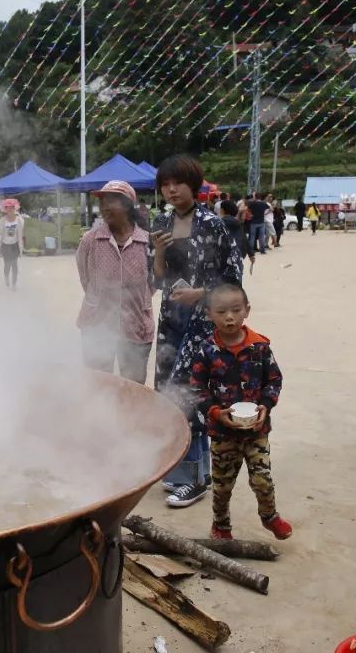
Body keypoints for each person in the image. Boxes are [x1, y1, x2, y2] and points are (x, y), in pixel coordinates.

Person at [150, 154, 243, 508]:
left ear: (195, 185)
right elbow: (155, 279)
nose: (172, 190)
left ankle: (197, 478)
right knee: (167, 392)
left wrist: (200, 294)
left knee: (192, 392)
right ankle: (179, 470)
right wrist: (158, 252)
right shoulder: (160, 221)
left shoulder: (212, 224)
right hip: (170, 316)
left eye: (179, 183)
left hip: (204, 320)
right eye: (166, 184)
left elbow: (233, 278)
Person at [172, 284, 293, 538]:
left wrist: (265, 406)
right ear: (208, 314)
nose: (229, 317)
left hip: (256, 431)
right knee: (223, 485)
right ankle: (221, 525)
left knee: (263, 479)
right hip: (222, 432)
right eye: (221, 311)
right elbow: (196, 388)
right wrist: (215, 412)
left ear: (246, 310)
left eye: (236, 310)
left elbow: (274, 380)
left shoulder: (259, 346)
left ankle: (269, 516)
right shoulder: (206, 350)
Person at [75, 181, 153, 384]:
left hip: (136, 324)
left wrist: (134, 300)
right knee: (98, 384)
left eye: (112, 201)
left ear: (128, 205)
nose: (105, 207)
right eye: (102, 202)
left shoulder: (146, 241)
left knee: (134, 386)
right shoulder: (90, 241)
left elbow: (152, 284)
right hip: (97, 324)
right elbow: (86, 278)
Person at [0, 198, 25, 290]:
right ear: (5, 209)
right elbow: (0, 235)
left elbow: (20, 236)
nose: (10, 209)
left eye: (12, 207)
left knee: (14, 265)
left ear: (15, 208)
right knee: (7, 265)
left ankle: (14, 284)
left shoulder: (19, 220)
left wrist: (21, 249)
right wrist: (0, 247)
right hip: (5, 245)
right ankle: (6, 277)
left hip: (14, 245)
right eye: (8, 208)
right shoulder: (2, 221)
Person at [219, 200, 254, 271]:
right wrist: (251, 254)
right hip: (238, 255)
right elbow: (244, 239)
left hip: (223, 257)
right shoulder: (238, 224)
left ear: (222, 210)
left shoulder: (218, 223)